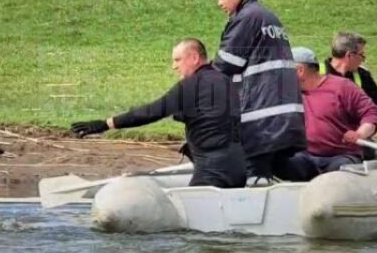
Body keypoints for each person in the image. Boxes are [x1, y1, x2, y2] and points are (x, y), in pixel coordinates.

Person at [70, 38, 246, 188]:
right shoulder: (225, 81)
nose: (174, 66)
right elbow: (215, 117)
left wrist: (106, 124)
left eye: (177, 60)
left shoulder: (191, 85)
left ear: (194, 58)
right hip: (238, 168)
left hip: (212, 171)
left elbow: (151, 112)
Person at [213, 0, 306, 181]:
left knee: (254, 173)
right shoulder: (268, 16)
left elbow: (227, 62)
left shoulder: (248, 17)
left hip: (261, 120)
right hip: (285, 117)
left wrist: (200, 80)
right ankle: (315, 181)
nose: (219, 3)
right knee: (280, 168)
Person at [280, 47, 377, 181]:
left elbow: (371, 113)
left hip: (341, 156)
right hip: (305, 157)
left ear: (300, 70)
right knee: (280, 162)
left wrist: (360, 133)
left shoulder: (342, 87)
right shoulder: (287, 93)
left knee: (341, 173)